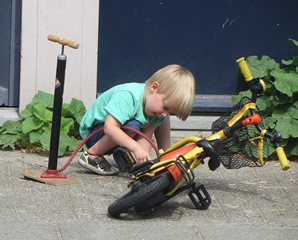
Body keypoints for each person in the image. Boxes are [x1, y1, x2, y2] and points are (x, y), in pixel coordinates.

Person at [79, 64, 195, 175]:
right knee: (133, 126)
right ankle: (91, 155)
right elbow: (109, 128)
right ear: (154, 87)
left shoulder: (154, 109)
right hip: (93, 134)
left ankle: (166, 156)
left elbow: (145, 137)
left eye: (170, 111)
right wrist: (135, 148)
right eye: (165, 107)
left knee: (156, 121)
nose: (165, 114)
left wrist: (143, 163)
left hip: (115, 135)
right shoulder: (129, 95)